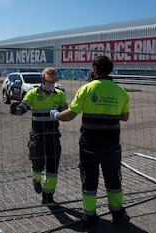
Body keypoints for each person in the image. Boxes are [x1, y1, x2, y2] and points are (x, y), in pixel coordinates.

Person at [49, 56, 130, 232]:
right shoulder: (121, 91)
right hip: (112, 146)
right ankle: (117, 213)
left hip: (89, 146)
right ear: (110, 70)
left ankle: (89, 216)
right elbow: (125, 117)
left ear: (94, 68)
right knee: (114, 179)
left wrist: (55, 114)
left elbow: (70, 115)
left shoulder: (85, 89)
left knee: (89, 180)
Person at [10, 67, 67, 205]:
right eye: (48, 81)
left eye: (53, 81)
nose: (51, 83)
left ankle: (48, 196)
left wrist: (67, 112)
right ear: (42, 80)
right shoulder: (32, 94)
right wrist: (15, 110)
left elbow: (65, 111)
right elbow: (22, 109)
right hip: (38, 136)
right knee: (38, 165)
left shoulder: (59, 94)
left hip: (53, 136)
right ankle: (36, 179)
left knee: (53, 168)